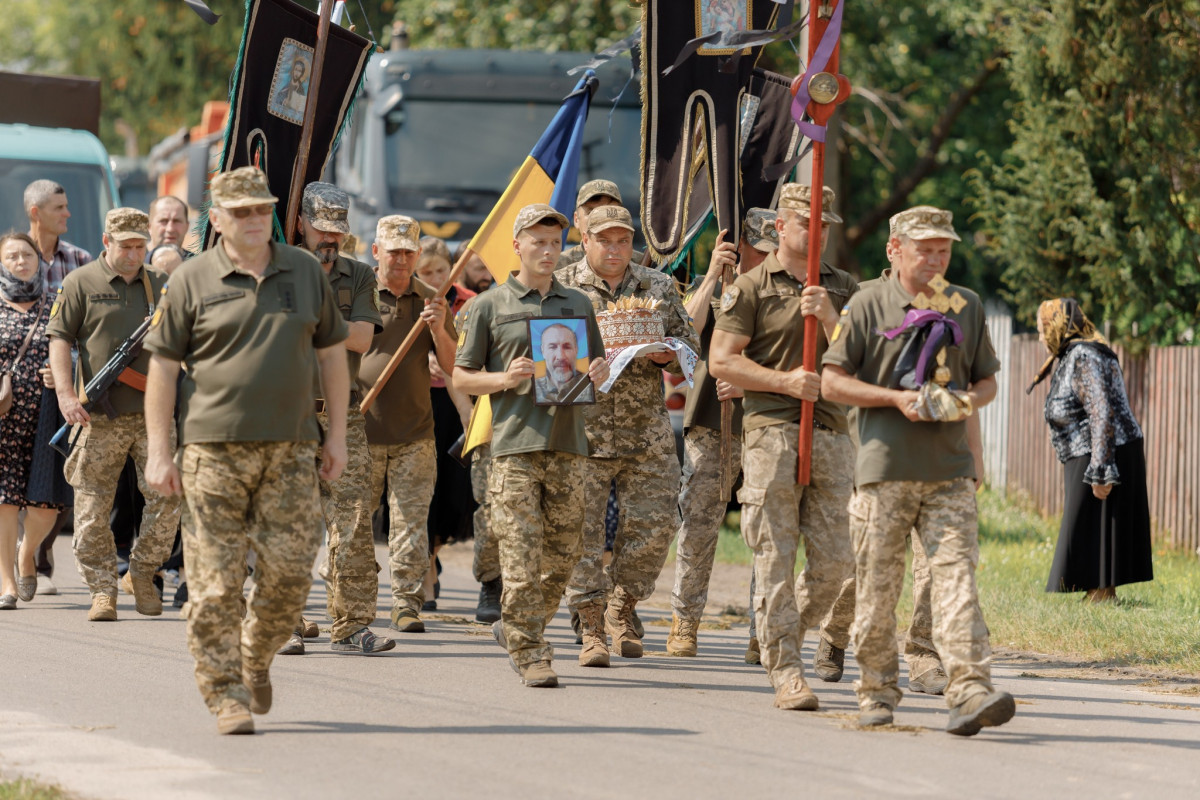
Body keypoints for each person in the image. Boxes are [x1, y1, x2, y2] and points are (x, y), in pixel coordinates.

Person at [143, 165, 349, 735]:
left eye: (262, 209)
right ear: (217, 219)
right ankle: (225, 693)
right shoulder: (191, 280)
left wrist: (336, 436)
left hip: (290, 450)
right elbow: (162, 366)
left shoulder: (305, 272)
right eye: (241, 212)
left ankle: (255, 655)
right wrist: (160, 450)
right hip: (212, 451)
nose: (255, 220)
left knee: (289, 578)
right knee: (214, 583)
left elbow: (332, 355)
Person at [821, 204, 1016, 735]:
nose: (935, 259)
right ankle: (877, 691)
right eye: (924, 249)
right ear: (895, 249)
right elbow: (833, 382)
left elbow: (987, 382)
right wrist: (893, 400)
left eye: (944, 250)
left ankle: (969, 690)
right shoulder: (867, 304)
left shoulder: (966, 306)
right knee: (878, 592)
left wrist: (965, 403)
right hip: (884, 471)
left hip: (949, 471)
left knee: (957, 581)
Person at [709, 184, 858, 711]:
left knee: (838, 563)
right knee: (775, 553)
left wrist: (834, 318)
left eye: (824, 224)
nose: (816, 233)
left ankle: (781, 630)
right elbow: (721, 361)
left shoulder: (844, 288)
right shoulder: (750, 287)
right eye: (806, 223)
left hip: (833, 434)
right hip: (772, 432)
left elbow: (868, 361)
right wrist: (784, 382)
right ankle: (787, 668)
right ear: (780, 227)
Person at [453, 203, 609, 687]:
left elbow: (593, 371)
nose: (547, 250)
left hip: (568, 446)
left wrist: (601, 375)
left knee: (562, 557)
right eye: (537, 242)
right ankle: (530, 652)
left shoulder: (579, 304)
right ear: (516, 245)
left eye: (555, 242)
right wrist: (503, 378)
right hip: (513, 449)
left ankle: (518, 625)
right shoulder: (489, 305)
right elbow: (462, 376)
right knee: (520, 557)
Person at [558, 204, 699, 666]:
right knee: (581, 532)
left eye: (622, 240)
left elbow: (689, 345)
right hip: (582, 430)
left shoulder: (655, 285)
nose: (615, 249)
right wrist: (582, 368)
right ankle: (592, 627)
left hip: (647, 433)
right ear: (586, 240)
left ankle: (622, 606)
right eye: (605, 240)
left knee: (658, 524)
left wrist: (667, 358)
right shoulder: (564, 286)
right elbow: (548, 358)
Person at [45, 208, 181, 622]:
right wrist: (68, 396)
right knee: (89, 510)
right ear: (107, 242)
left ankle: (141, 572)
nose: (134, 254)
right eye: (126, 246)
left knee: (169, 499)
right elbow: (59, 339)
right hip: (96, 417)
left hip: (154, 418)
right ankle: (102, 589)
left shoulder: (162, 285)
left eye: (141, 246)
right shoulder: (80, 283)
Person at [277, 181, 391, 656]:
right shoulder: (277, 269)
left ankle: (351, 625)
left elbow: (363, 338)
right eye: (322, 230)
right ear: (301, 223)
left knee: (354, 524)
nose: (330, 240)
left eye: (338, 232)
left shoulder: (359, 275)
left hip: (343, 420)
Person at [668, 209, 770, 656]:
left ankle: (760, 631)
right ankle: (684, 621)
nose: (763, 258)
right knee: (698, 524)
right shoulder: (719, 292)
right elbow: (680, 342)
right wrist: (710, 274)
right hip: (712, 421)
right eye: (755, 249)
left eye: (771, 250)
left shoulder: (787, 295)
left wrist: (751, 380)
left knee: (767, 531)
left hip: (768, 421)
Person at [358, 216, 458, 634]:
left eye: (407, 252)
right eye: (392, 251)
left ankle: (406, 603)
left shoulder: (432, 299)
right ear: (376, 252)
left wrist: (438, 327)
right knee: (355, 524)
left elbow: (455, 367)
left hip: (414, 434)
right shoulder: (358, 294)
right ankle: (354, 603)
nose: (400, 259)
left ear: (417, 255)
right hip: (360, 430)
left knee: (411, 524)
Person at [1031, 298, 1153, 603]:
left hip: (1102, 450)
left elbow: (1101, 410)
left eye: (1041, 329)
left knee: (1094, 522)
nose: (1040, 337)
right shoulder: (1076, 353)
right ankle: (1098, 592)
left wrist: (1101, 469)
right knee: (1089, 525)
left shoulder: (1084, 354)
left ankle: (1102, 593)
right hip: (1094, 449)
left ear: (1056, 327)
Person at [415, 236, 476, 610]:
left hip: (459, 403)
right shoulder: (410, 303)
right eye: (426, 272)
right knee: (425, 491)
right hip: (421, 403)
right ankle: (424, 571)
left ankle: (433, 550)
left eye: (441, 270)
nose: (435, 279)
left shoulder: (467, 301)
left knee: (455, 493)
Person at [0, 232, 60, 609]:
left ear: (39, 259)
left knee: (45, 505)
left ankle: (28, 553)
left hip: (47, 419)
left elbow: (78, 350)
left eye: (26, 254)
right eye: (11, 257)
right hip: (3, 418)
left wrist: (64, 370)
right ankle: (6, 582)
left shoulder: (56, 304)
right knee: (4, 500)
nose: (20, 261)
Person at [555, 179, 643, 269]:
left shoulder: (642, 263)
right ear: (576, 219)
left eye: (607, 209)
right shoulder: (558, 265)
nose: (600, 217)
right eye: (591, 212)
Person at [25, 180, 92, 293]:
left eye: (66, 206)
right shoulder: (9, 260)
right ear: (35, 213)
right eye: (59, 208)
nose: (67, 214)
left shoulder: (81, 260)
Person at [532, 322, 593, 404]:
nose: (561, 356)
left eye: (567, 347)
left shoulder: (591, 384)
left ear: (576, 350)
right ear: (543, 351)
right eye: (552, 347)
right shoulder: (532, 388)